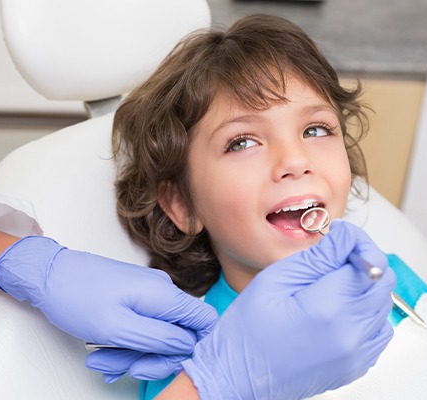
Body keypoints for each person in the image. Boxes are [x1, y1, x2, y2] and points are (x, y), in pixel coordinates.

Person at [81, 13, 402, 400]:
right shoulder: (191, 364)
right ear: (182, 205)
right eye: (243, 142)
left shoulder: (391, 279)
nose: (295, 161)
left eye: (315, 130)